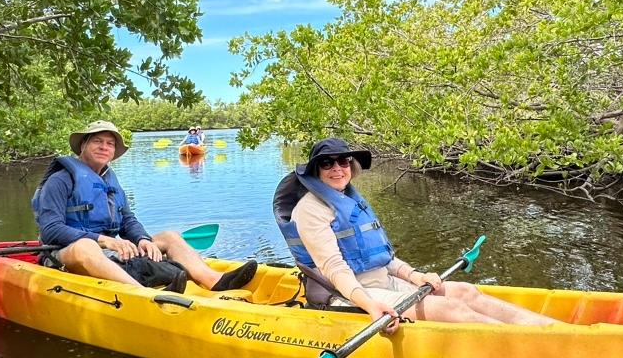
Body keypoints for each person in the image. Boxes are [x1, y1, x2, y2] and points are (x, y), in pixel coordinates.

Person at [273, 138, 553, 329]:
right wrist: (371, 306)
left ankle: (550, 330)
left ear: (351, 166)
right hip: (348, 294)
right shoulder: (310, 210)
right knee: (452, 311)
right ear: (315, 171)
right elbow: (334, 269)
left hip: (382, 284)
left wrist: (415, 275)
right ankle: (537, 347)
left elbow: (384, 259)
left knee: (467, 292)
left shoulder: (349, 198)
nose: (337, 168)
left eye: (342, 161)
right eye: (327, 164)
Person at [33, 120, 256, 292]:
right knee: (86, 246)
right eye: (97, 141)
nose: (104, 147)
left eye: (110, 144)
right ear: (83, 144)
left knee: (168, 236)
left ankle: (215, 281)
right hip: (66, 253)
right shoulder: (60, 180)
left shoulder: (110, 180)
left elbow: (127, 220)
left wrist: (142, 239)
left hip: (107, 251)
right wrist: (104, 240)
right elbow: (50, 229)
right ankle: (141, 294)